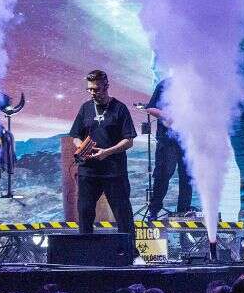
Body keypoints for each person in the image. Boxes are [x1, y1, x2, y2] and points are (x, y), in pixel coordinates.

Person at [69, 69, 137, 235]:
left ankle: (132, 255)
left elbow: (129, 140)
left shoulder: (119, 109)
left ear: (106, 86)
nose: (92, 93)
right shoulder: (85, 108)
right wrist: (81, 146)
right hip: (88, 171)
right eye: (89, 89)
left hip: (114, 171)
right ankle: (86, 255)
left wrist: (107, 152)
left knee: (123, 215)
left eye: (96, 89)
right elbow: (75, 135)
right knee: (85, 214)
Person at [143, 77, 193, 219]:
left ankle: (184, 210)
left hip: (189, 139)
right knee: (163, 174)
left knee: (188, 176)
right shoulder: (165, 84)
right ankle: (154, 210)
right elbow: (150, 108)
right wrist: (167, 115)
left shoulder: (197, 84)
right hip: (168, 139)